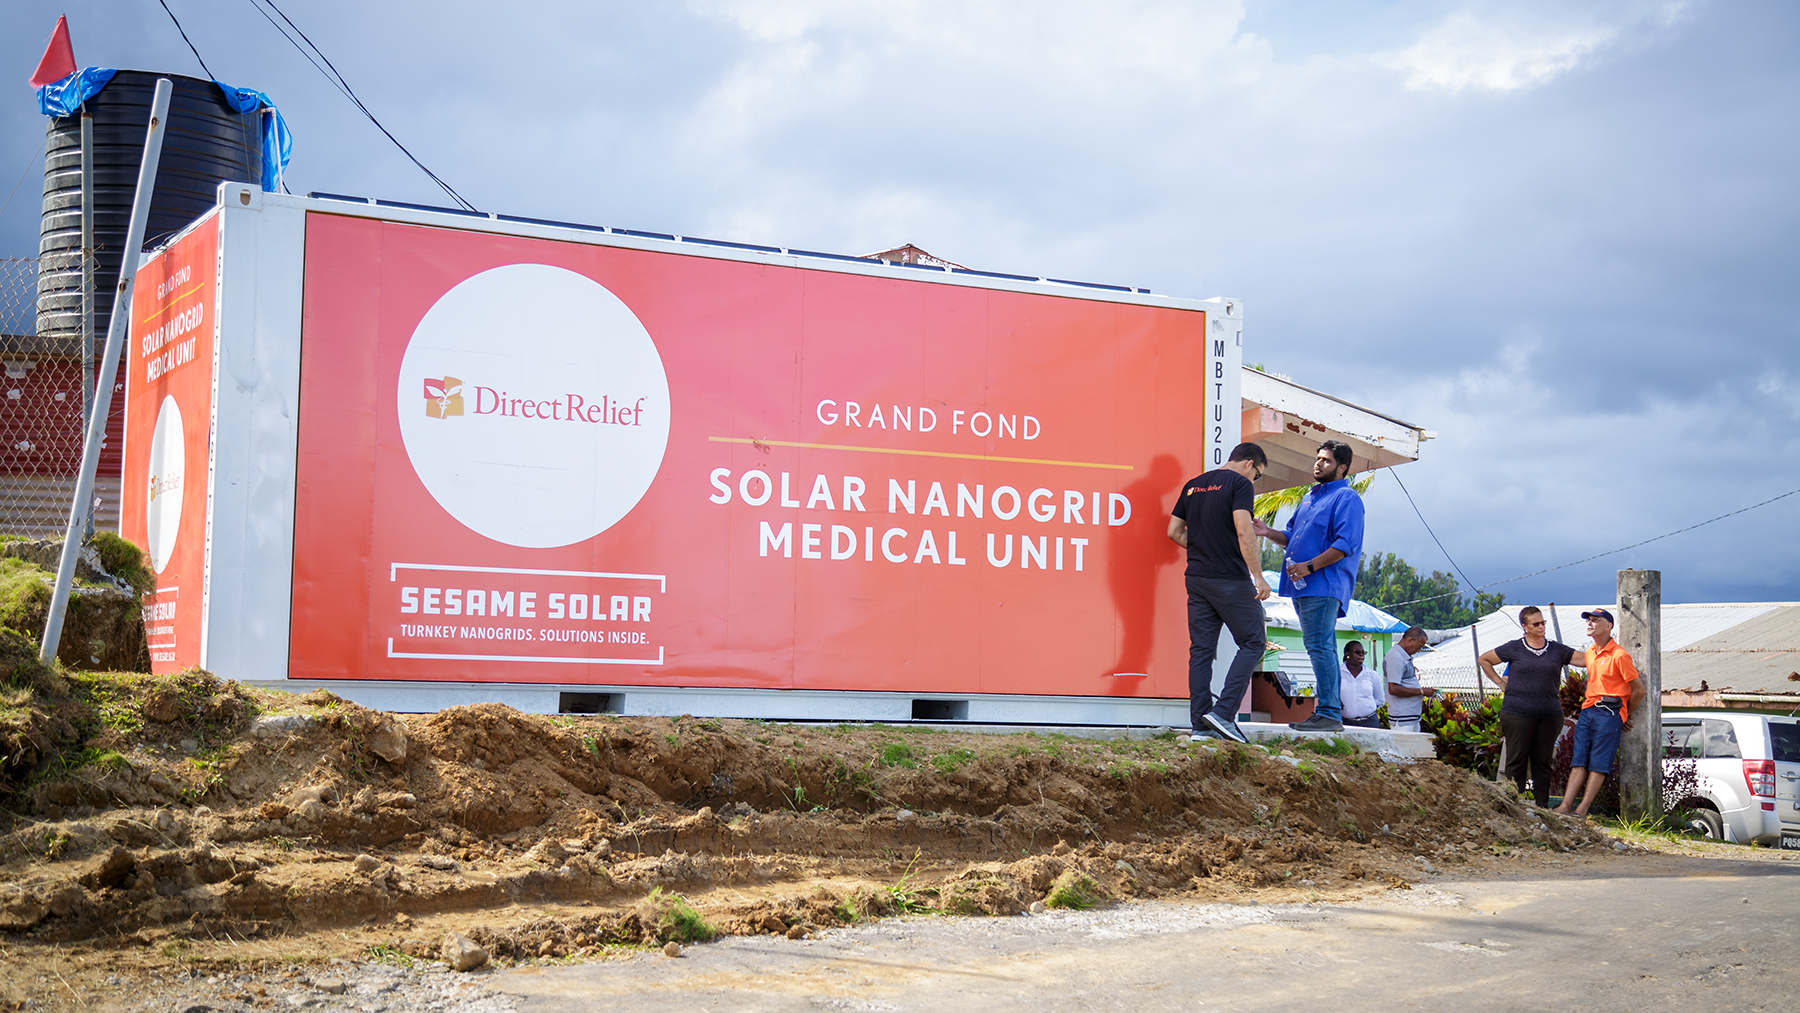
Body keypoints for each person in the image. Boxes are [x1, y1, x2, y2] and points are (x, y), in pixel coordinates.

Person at [1253, 440, 1364, 732]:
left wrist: (1309, 566)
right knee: (1319, 645)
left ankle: (1329, 713)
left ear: (1341, 468)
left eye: (1326, 460)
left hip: (1324, 585)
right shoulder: (1310, 496)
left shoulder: (1347, 498)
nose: (1318, 464)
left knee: (1319, 646)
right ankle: (1328, 712)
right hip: (1302, 587)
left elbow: (1345, 545)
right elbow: (1292, 536)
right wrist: (1267, 532)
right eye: (1317, 458)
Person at [1167, 442, 1272, 744]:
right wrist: (1259, 577)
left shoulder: (1193, 485)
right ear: (1249, 464)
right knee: (1253, 642)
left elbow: (1174, 531)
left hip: (1197, 578)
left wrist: (1202, 549)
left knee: (1201, 651)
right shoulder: (1240, 484)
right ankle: (1224, 713)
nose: (1255, 481)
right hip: (1229, 579)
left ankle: (1200, 725)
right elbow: (1243, 530)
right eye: (1258, 475)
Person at [1478, 605, 1574, 807]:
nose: (1541, 627)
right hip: (1517, 713)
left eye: (1543, 623)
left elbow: (1584, 659)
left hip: (1549, 714)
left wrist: (1604, 651)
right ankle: (1514, 805)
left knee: (1543, 761)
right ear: (1525, 626)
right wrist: (1499, 682)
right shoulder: (1515, 647)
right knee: (1516, 760)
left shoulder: (1556, 649)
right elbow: (1484, 659)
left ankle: (1542, 806)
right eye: (1535, 624)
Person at [1554, 608, 1643, 818]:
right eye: (1589, 620)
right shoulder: (1590, 653)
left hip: (1609, 712)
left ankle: (1582, 810)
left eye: (1596, 620)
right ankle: (1565, 807)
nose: (1590, 623)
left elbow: (1639, 690)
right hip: (1587, 711)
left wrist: (1623, 714)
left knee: (1599, 763)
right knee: (1579, 759)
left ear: (1609, 626)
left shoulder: (1620, 655)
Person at [1383, 626, 1434, 732]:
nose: (1419, 650)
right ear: (1410, 640)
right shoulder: (1395, 657)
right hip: (1402, 719)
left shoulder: (1403, 656)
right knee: (1404, 748)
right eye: (1419, 646)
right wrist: (1421, 691)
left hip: (1409, 717)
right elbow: (1393, 689)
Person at [1339, 640, 1385, 728]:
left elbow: (1380, 700)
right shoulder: (1336, 673)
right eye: (1357, 652)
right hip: (1344, 722)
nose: (1361, 655)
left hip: (1369, 722)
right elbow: (1320, 691)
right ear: (1347, 654)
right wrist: (1335, 699)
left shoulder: (1372, 675)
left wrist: (1366, 707)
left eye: (1363, 653)